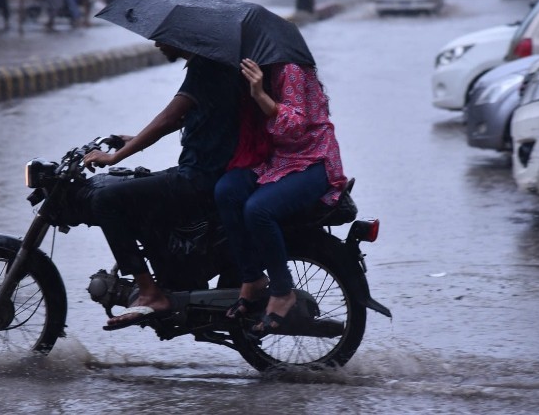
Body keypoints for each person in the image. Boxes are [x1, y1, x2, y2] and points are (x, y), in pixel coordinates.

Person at [83, 42, 241, 330]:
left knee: (105, 200)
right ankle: (172, 278)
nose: (157, 42)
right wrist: (134, 141)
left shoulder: (204, 66)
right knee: (141, 191)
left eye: (161, 37)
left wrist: (114, 157)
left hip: (197, 178)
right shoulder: (215, 64)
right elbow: (180, 119)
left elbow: (168, 117)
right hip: (209, 174)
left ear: (182, 35)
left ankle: (150, 292)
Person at [216, 58, 347, 334]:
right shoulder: (259, 68)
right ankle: (252, 278)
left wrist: (259, 94)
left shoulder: (290, 69)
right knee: (227, 192)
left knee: (258, 210)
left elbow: (294, 125)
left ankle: (282, 290)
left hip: (313, 159)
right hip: (276, 160)